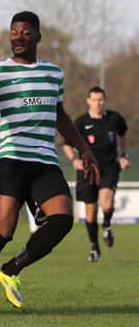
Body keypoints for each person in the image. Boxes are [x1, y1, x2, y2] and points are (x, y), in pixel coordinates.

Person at [0, 11, 100, 314]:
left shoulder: (53, 74)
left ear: (38, 37)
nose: (18, 37)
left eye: (26, 33)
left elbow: (61, 116)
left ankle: (11, 271)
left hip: (43, 158)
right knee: (4, 227)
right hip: (8, 157)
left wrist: (85, 150)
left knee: (63, 220)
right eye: (14, 32)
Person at [62, 86, 130, 262]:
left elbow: (123, 135)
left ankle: (106, 225)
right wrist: (73, 160)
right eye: (94, 100)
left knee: (106, 204)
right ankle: (94, 248)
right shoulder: (80, 122)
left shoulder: (115, 119)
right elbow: (67, 143)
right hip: (87, 170)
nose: (98, 103)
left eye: (101, 100)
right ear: (88, 101)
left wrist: (124, 155)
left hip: (108, 167)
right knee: (90, 213)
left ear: (104, 100)